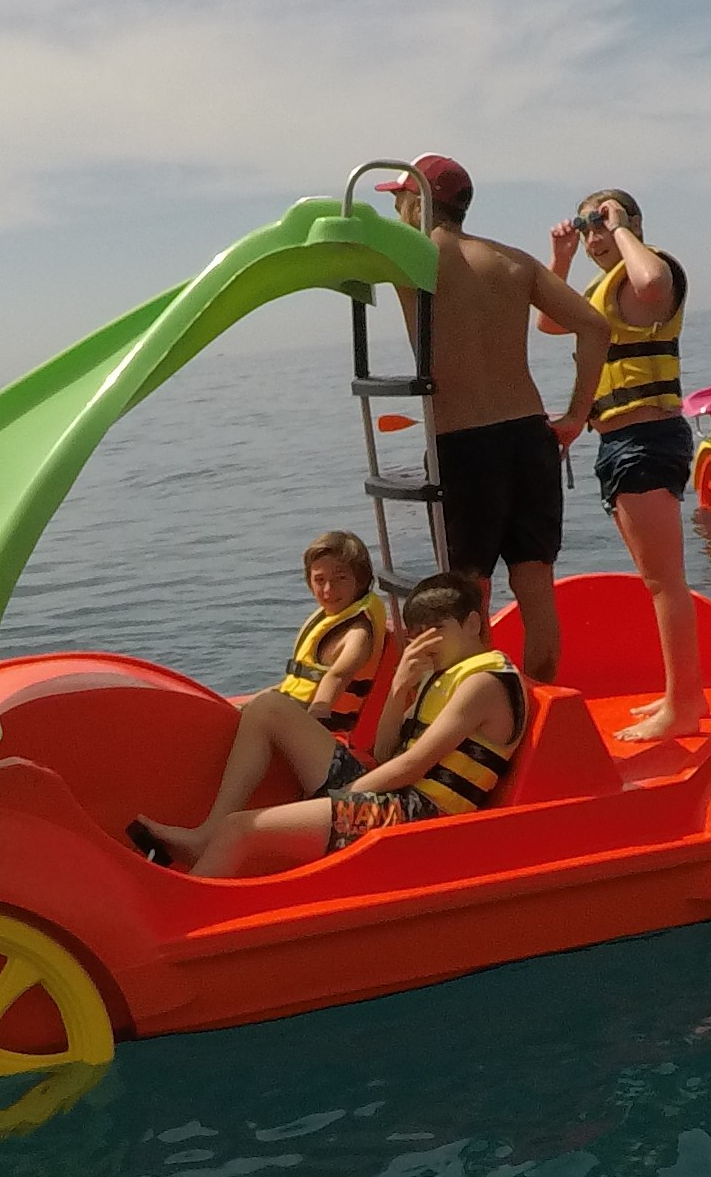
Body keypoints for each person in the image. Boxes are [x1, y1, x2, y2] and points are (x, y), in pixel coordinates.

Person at [130, 577, 525, 877]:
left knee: (241, 829)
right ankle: (204, 836)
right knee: (269, 708)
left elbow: (412, 765)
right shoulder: (441, 675)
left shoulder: (482, 684)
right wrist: (398, 689)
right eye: (417, 635)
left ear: (472, 623)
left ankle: (182, 915)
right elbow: (385, 753)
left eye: (437, 631)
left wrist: (343, 797)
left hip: (421, 817)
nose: (425, 644)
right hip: (393, 794)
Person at [391, 154, 608, 686]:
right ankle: (540, 705)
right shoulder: (514, 261)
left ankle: (481, 713)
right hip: (529, 437)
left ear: (418, 200)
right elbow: (595, 327)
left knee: (465, 600)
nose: (396, 210)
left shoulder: (408, 257)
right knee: (537, 591)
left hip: (461, 443)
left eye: (399, 199)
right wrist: (576, 415)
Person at [543, 189, 705, 742]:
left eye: (603, 223)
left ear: (633, 224)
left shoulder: (651, 273)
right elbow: (549, 322)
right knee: (657, 581)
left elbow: (653, 283)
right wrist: (561, 259)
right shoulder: (604, 289)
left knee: (664, 583)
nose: (595, 236)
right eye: (587, 226)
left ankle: (684, 705)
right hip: (619, 442)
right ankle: (681, 694)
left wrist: (620, 228)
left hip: (646, 440)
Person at [273, 531, 389, 737]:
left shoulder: (358, 634)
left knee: (260, 712)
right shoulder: (330, 619)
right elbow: (296, 684)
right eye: (319, 580)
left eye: (340, 579)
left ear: (361, 580)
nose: (328, 590)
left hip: (325, 731)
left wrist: (313, 720)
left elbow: (338, 677)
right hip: (294, 711)